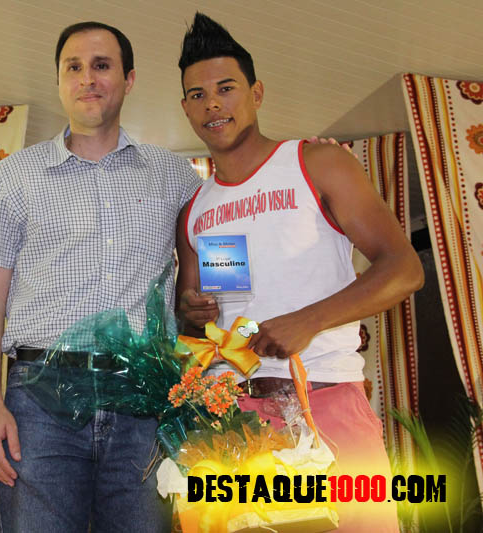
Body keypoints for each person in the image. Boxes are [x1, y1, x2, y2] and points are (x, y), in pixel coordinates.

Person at [175, 13, 424, 532]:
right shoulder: (197, 208)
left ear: (257, 93)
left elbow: (403, 268)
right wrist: (193, 312)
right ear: (186, 109)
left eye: (226, 88)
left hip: (326, 397)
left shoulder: (316, 163)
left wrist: (308, 320)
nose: (212, 103)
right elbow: (203, 317)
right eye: (197, 95)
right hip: (234, 418)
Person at [0, 21, 202, 532]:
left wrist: (301, 167)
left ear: (129, 79)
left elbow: (233, 221)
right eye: (73, 67)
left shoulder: (176, 176)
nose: (87, 78)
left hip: (145, 401)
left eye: (102, 65)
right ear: (58, 81)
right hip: (38, 402)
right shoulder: (12, 177)